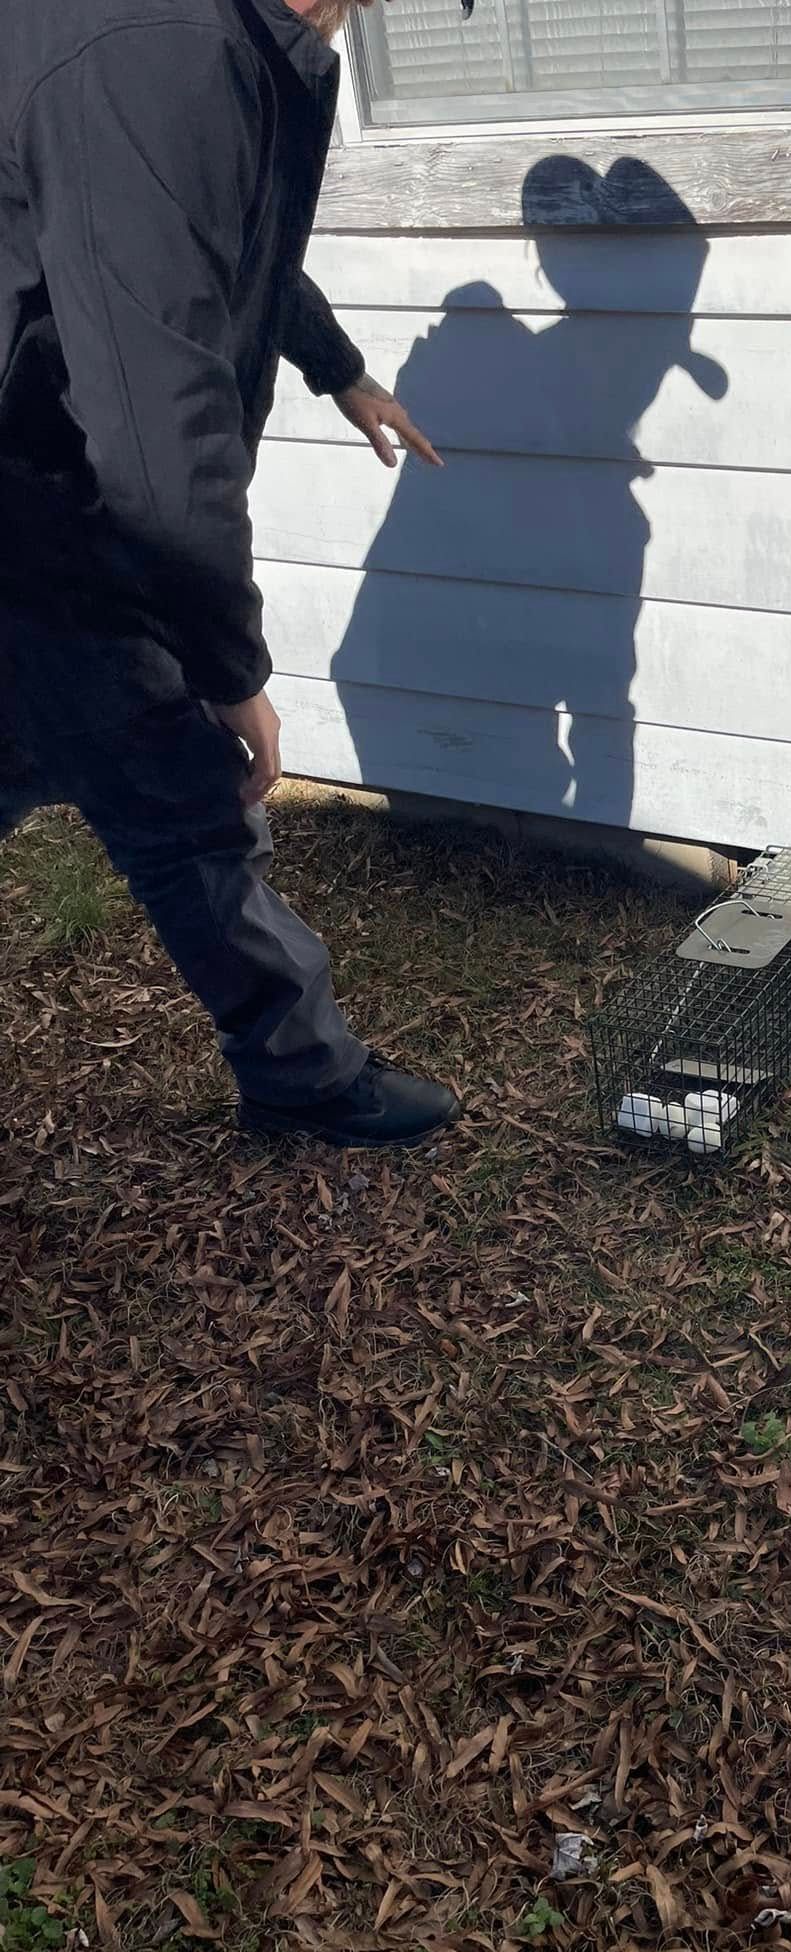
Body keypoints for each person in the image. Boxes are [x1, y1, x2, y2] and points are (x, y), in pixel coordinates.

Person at [0, 0, 461, 1148]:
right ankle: (304, 1076)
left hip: (42, 485)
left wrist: (339, 367)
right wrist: (227, 670)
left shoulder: (231, 36)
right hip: (47, 508)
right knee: (191, 800)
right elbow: (158, 424)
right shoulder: (158, 53)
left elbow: (208, 248)